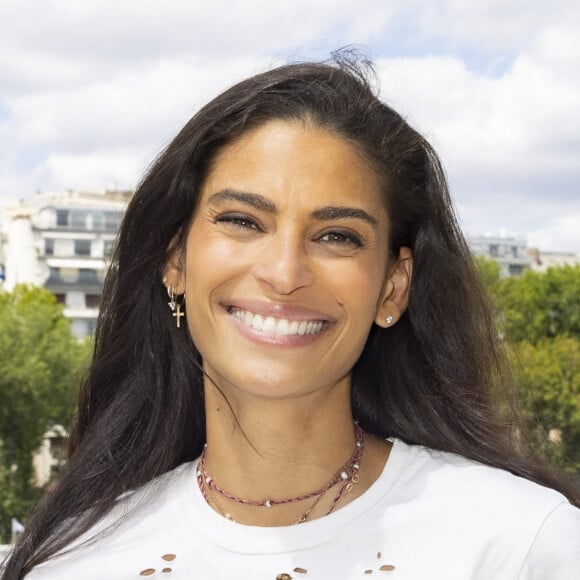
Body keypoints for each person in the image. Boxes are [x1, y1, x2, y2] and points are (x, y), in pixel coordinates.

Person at [2, 53, 579, 580]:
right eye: (243, 221)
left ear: (392, 288)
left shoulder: (523, 545)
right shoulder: (76, 564)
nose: (284, 273)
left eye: (336, 235)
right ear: (175, 259)